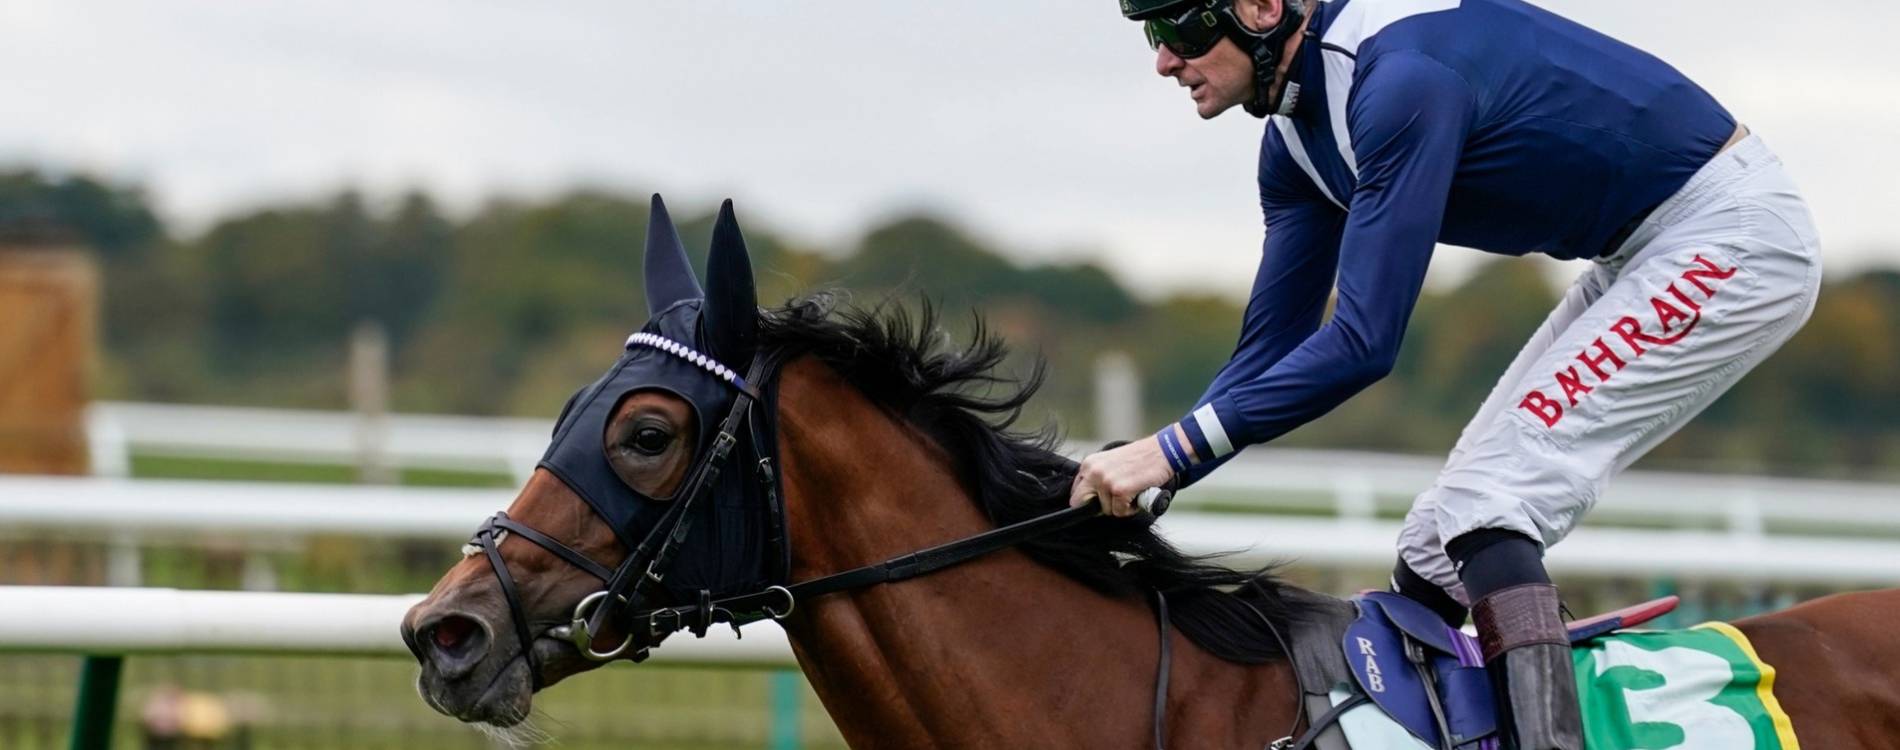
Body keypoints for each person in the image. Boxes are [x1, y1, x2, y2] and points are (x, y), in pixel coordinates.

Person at [1067, 0, 1822, 747]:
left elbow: (1364, 343)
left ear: (1262, 8)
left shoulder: (1398, 84)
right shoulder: (1294, 146)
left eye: (1178, 30)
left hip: (1729, 236)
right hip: (1641, 250)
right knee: (1436, 545)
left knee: (1485, 507)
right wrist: (1154, 475)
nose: (1164, 60)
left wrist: (1168, 452)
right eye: (1153, 36)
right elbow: (1266, 355)